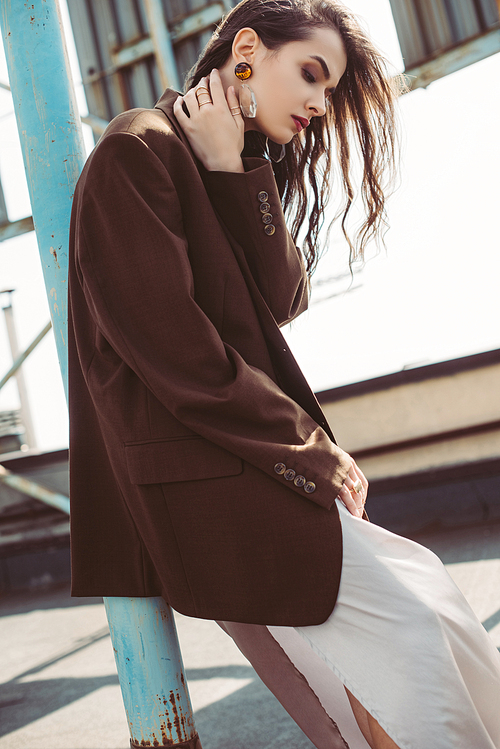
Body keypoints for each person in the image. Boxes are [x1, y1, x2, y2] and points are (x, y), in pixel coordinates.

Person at [68, 0, 500, 747]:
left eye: (328, 89)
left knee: (423, 623)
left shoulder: (212, 158)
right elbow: (179, 357)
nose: (318, 103)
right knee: (415, 640)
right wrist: (313, 450)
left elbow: (277, 301)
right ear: (246, 51)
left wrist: (231, 167)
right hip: (210, 475)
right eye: (311, 74)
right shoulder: (134, 149)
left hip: (240, 463)